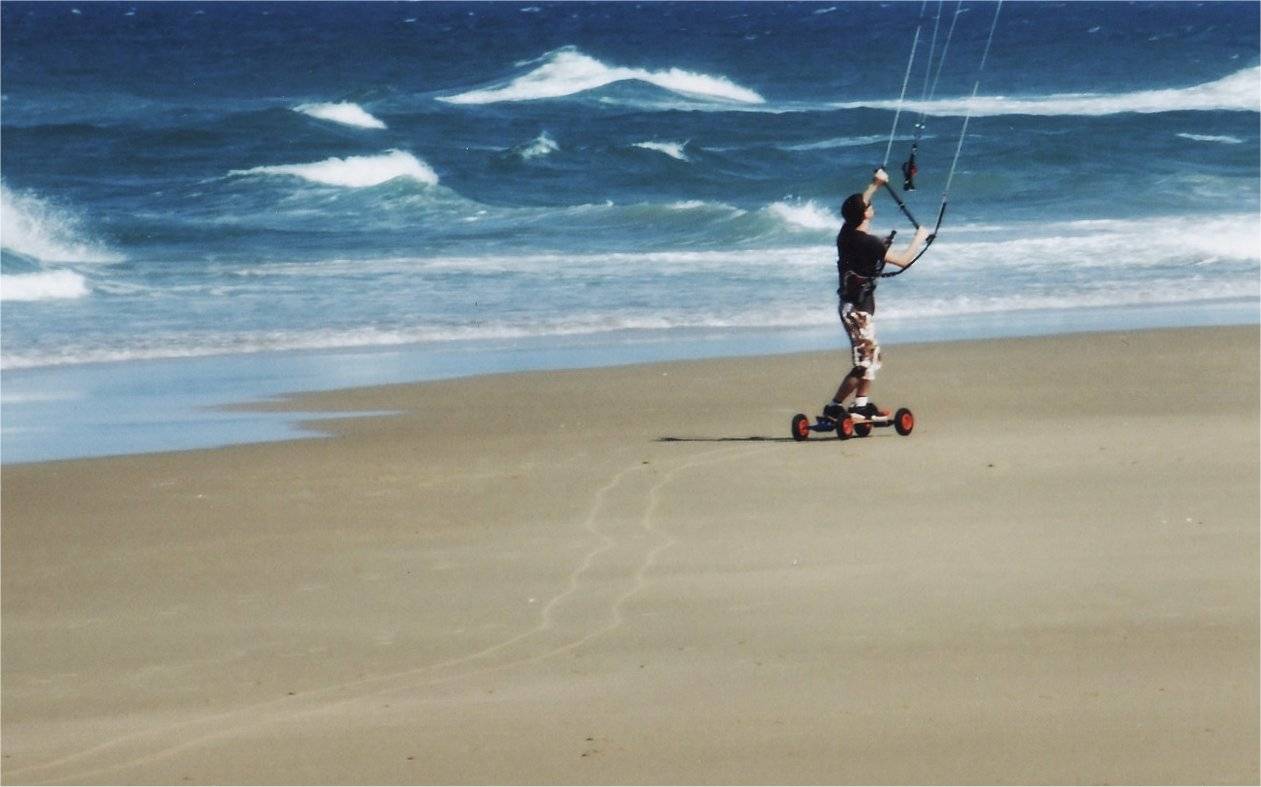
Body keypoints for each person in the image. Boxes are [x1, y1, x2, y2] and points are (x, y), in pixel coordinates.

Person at [822, 167, 929, 423]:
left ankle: (860, 404)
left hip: (852, 306)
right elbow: (903, 261)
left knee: (871, 358)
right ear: (864, 214)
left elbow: (860, 204)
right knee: (864, 363)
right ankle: (836, 406)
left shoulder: (845, 233)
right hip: (857, 310)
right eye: (867, 205)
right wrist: (920, 238)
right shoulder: (869, 243)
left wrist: (875, 183)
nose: (870, 205)